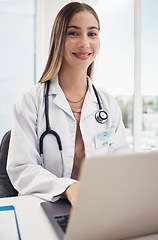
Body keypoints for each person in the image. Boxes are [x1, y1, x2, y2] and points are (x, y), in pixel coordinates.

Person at [7, 2, 131, 206]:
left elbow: (121, 162)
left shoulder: (107, 103)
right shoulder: (31, 101)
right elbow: (22, 169)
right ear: (58, 39)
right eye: (73, 33)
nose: (85, 43)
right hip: (44, 206)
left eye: (92, 34)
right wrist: (68, 187)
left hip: (97, 206)